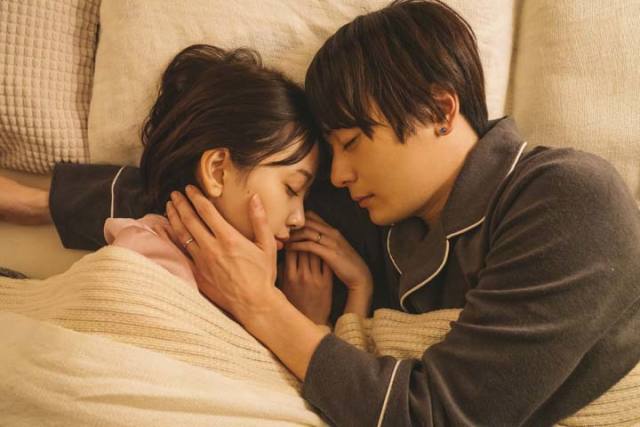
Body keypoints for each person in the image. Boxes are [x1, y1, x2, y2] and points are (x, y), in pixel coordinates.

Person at [2, 1, 639, 425]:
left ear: (440, 111)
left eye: (353, 142)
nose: (337, 176)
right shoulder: (380, 207)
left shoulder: (569, 197)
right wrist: (37, 201)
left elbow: (438, 416)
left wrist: (261, 305)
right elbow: (217, 191)